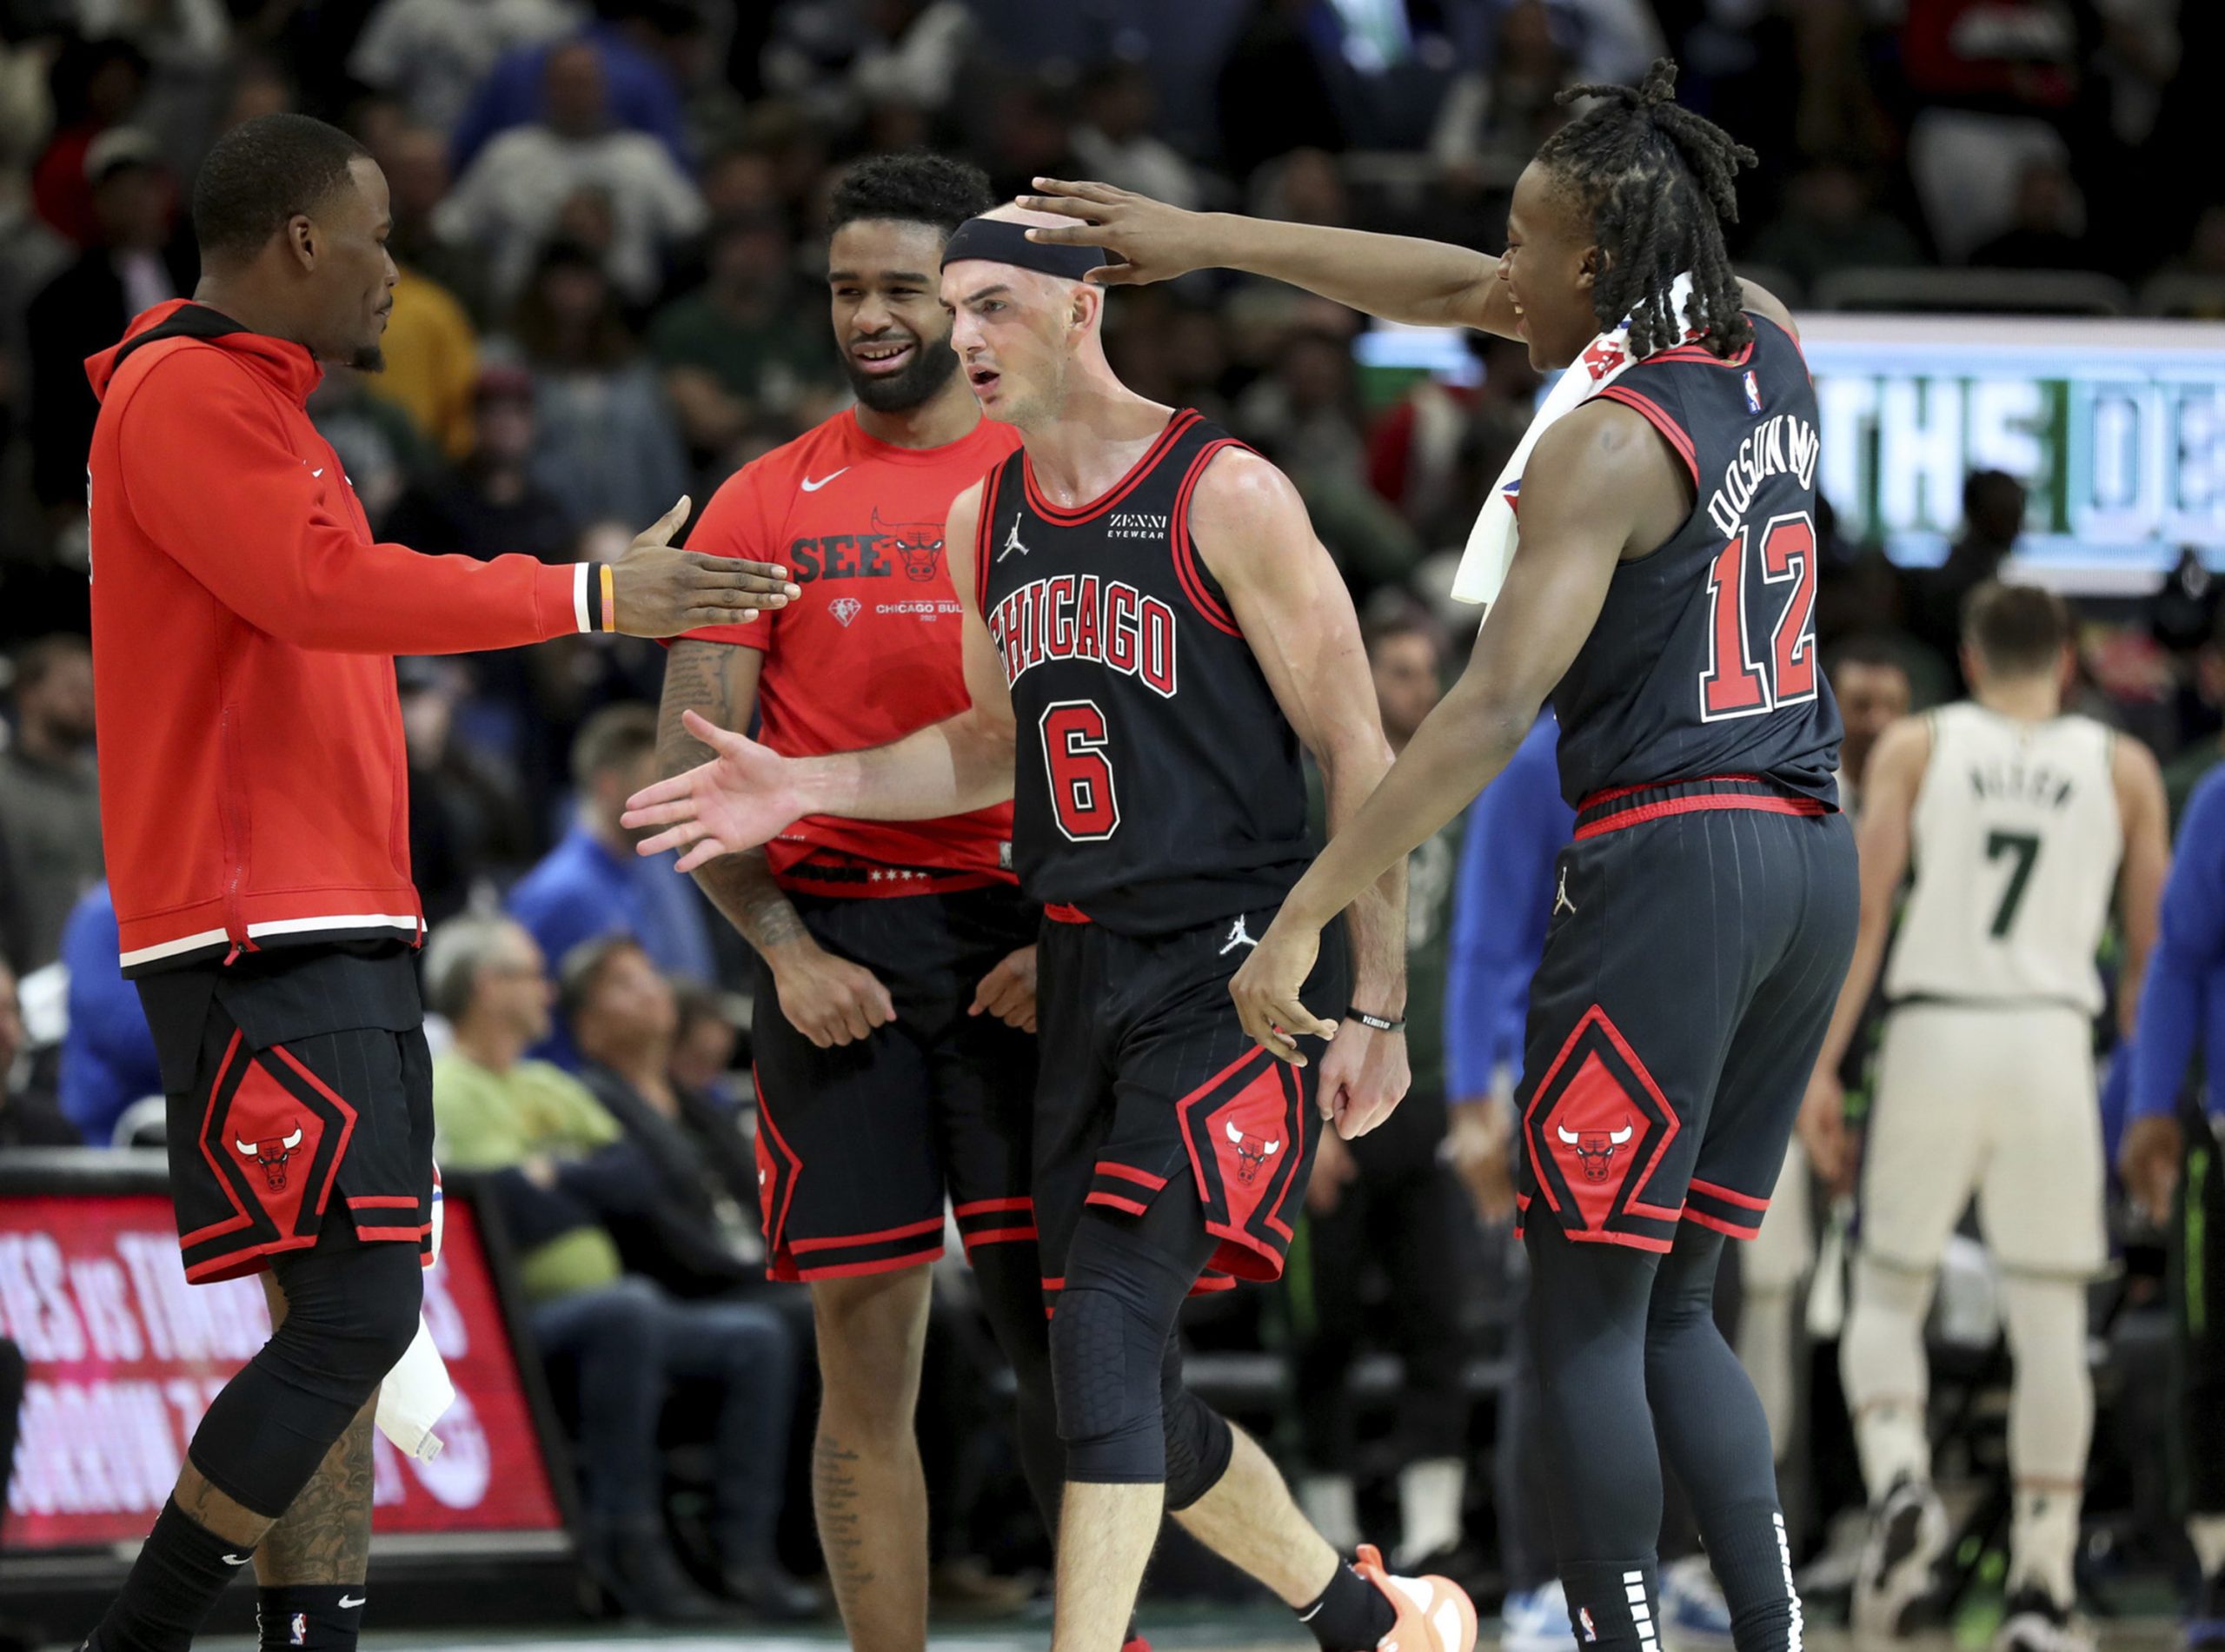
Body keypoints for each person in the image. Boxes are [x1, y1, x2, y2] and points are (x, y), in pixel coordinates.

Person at [1020, 55, 1856, 1652]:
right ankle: (1770, 1633)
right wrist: (1209, 235)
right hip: (1810, 854)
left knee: (1582, 1323)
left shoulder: (1605, 445)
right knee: (1680, 1308)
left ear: (1597, 266)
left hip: (1673, 865)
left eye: (1528, 248)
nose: (1500, 276)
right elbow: (1450, 282)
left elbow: (1478, 720)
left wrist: (1307, 916)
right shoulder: (1759, 334)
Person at [630, 202, 1478, 1652]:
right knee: (1116, 1381)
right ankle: (1375, 1623)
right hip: (1078, 968)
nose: (964, 337)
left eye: (995, 306)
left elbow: (1358, 752)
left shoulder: (1231, 490)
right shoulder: (987, 518)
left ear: (1087, 309)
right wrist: (812, 781)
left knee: (1088, 1335)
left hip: (1230, 967)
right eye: (956, 308)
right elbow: (989, 743)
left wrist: (1376, 993)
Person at [76, 109, 791, 1652]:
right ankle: (132, 1643)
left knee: (335, 1333)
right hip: (265, 923)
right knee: (351, 1322)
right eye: (383, 236)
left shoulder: (252, 402)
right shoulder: (190, 391)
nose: (403, 272)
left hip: (318, 918)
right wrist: (591, 589)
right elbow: (323, 591)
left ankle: (305, 1641)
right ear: (305, 243)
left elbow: (317, 608)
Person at [648, 151, 1067, 1652]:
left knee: (1065, 1351)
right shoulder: (761, 501)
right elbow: (690, 776)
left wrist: (1061, 939)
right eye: (848, 289)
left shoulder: (1055, 480)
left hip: (1030, 948)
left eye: (903, 287)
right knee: (863, 1355)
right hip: (838, 958)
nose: (872, 317)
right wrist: (785, 951)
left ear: (973, 300)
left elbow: (1134, 745)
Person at [1802, 582, 2169, 1652]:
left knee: (1884, 1291)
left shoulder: (1918, 746)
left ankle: (1902, 1476)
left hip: (1932, 1031)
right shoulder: (2124, 765)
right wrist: (2145, 1103)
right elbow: (2147, 963)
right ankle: (2041, 1588)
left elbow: (1861, 919)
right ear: (2067, 661)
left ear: (1965, 657)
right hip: (2054, 1039)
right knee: (2052, 1317)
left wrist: (1820, 1067)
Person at [423, 916, 813, 1622]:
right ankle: (627, 1548)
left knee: (757, 1335)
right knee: (626, 1310)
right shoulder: (449, 1085)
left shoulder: (544, 1080)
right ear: (488, 986)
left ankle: (745, 1556)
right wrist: (567, 1178)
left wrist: (555, 1174)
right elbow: (510, 1208)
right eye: (531, 973)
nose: (547, 988)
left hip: (611, 1307)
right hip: (513, 1324)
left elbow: (636, 1177)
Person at [1290, 611, 1473, 1571]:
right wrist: (1296, 1117)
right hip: (1328, 1103)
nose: (1407, 686)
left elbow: (1486, 953)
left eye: (1419, 671)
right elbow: (1281, 953)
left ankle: (1432, 1535)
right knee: (1323, 1335)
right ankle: (1321, 1542)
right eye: (1390, 669)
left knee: (1434, 1318)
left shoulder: (1463, 792)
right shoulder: (1320, 789)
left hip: (1435, 1095)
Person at [2122, 764, 2225, 1652]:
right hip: (2222, 1137)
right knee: (2211, 1359)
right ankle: (2219, 1571)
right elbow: (2179, 956)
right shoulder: (2220, 797)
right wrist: (2151, 1103)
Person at [506, 703, 716, 994]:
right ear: (608, 785)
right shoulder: (561, 893)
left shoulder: (648, 869)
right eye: (652, 782)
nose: (668, 797)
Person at [0, 635, 103, 970]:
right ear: (28, 694)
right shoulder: (6, 787)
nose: (86, 698)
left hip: (110, 987)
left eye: (92, 685)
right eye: (73, 686)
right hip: (28, 989)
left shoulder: (106, 787)